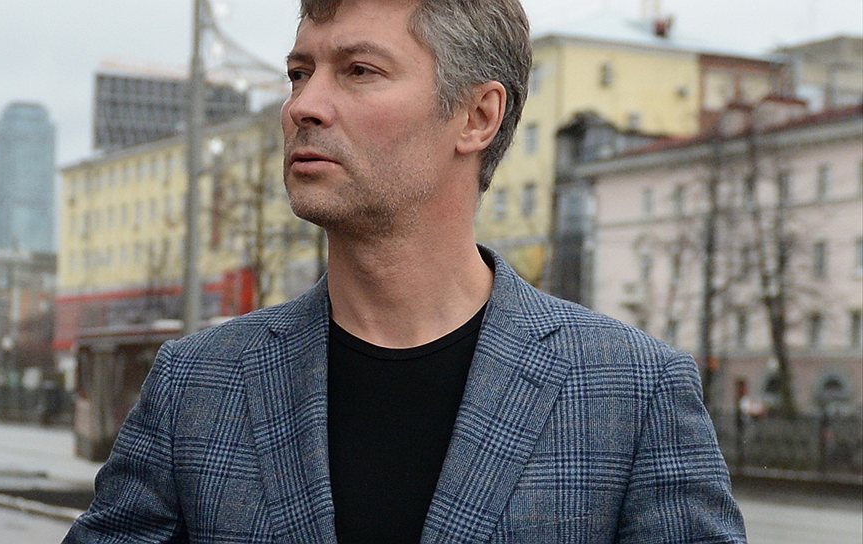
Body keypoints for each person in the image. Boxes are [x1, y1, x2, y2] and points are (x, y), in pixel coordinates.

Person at [64, 0, 746, 542]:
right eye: (300, 72)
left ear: (477, 116)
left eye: (359, 71)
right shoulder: (196, 385)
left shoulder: (632, 393)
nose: (302, 105)